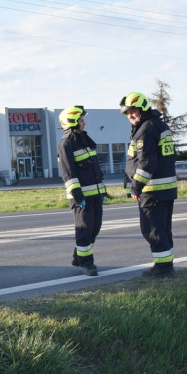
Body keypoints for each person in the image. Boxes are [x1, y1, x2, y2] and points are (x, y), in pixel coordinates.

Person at [121, 92, 178, 278]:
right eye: (127, 113)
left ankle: (163, 269)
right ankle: (164, 264)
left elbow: (147, 162)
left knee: (152, 229)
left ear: (143, 109)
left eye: (134, 111)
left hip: (152, 190)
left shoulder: (145, 129)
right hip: (165, 190)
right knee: (163, 229)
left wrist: (136, 186)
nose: (130, 116)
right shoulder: (158, 125)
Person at [57, 106, 106, 276]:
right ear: (72, 122)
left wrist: (102, 191)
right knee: (84, 229)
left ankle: (78, 256)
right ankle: (87, 263)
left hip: (95, 194)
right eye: (81, 120)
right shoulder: (66, 143)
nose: (84, 123)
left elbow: (94, 168)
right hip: (81, 197)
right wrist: (78, 196)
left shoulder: (84, 140)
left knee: (95, 227)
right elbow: (68, 173)